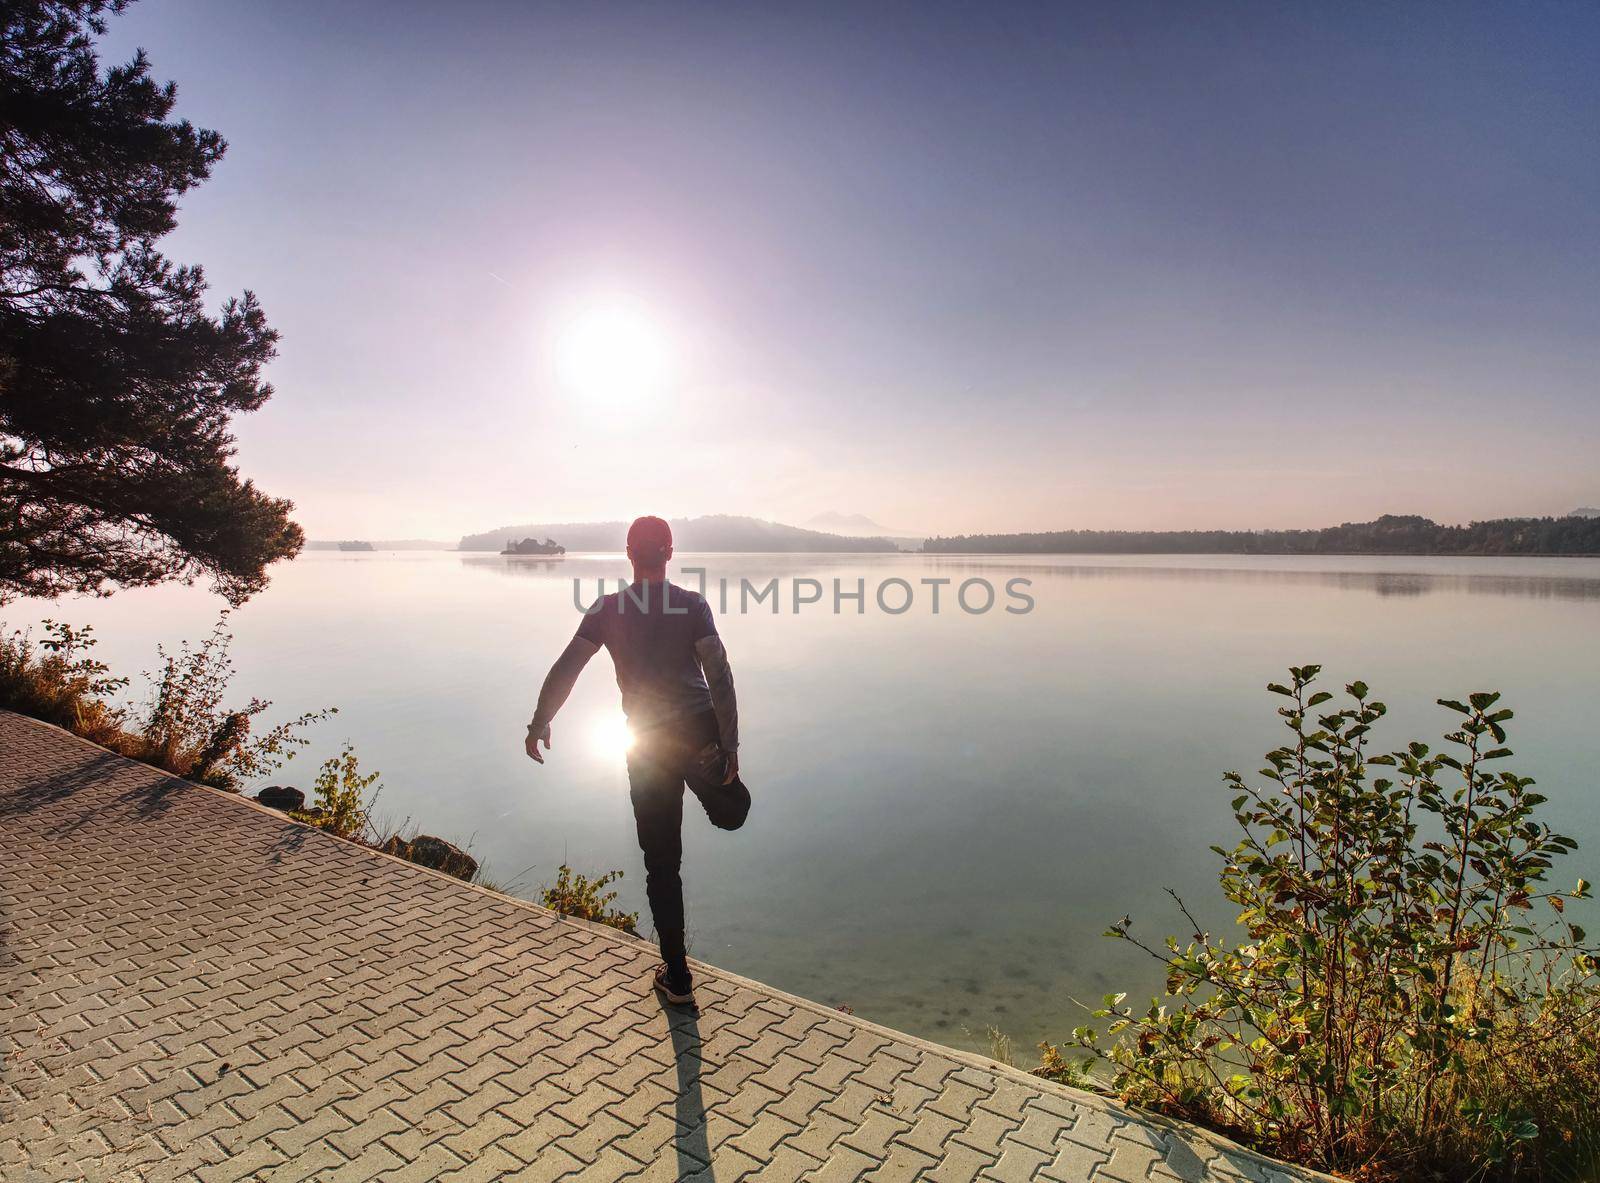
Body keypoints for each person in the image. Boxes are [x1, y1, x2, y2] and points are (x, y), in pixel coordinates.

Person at [524, 515, 749, 1005]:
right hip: (697, 731)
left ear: (629, 553)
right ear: (669, 553)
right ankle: (712, 774)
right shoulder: (691, 606)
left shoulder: (608, 609)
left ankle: (678, 976)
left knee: (661, 862)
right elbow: (720, 673)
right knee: (733, 811)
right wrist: (729, 742)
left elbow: (568, 666)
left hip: (646, 741)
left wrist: (540, 719)